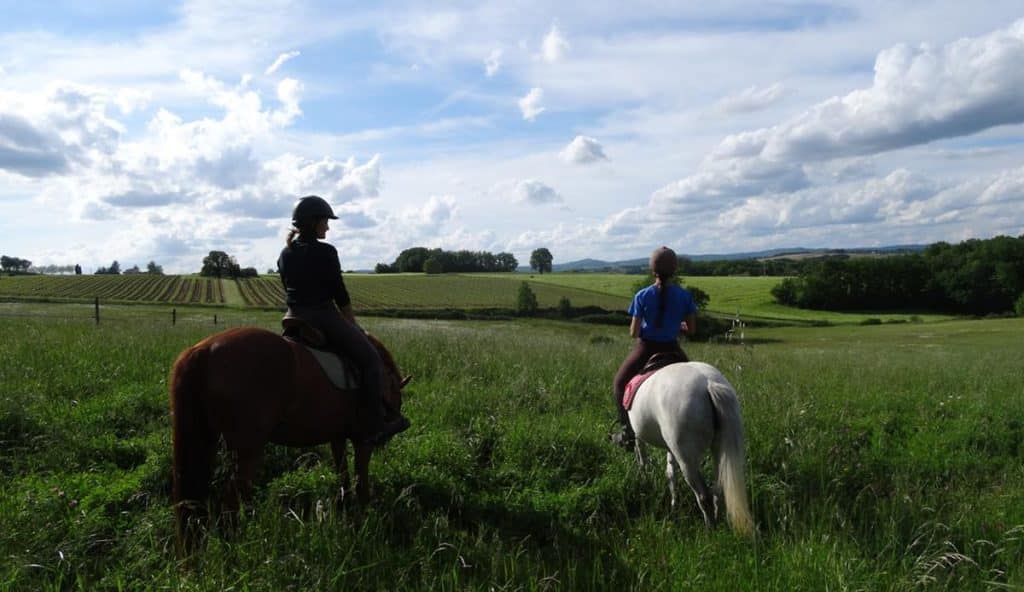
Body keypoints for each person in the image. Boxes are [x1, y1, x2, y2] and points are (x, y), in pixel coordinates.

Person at [277, 195, 410, 444]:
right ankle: (375, 423)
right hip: (323, 317)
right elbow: (339, 293)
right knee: (371, 359)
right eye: (325, 221)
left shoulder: (286, 253)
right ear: (314, 222)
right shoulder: (326, 251)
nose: (327, 226)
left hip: (293, 319)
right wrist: (352, 324)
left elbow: (286, 286)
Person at [610, 246, 697, 450]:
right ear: (675, 270)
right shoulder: (684, 296)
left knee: (619, 383)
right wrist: (678, 326)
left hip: (646, 348)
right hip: (673, 348)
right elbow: (692, 329)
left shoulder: (642, 295)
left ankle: (628, 433)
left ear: (652, 270)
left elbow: (634, 332)